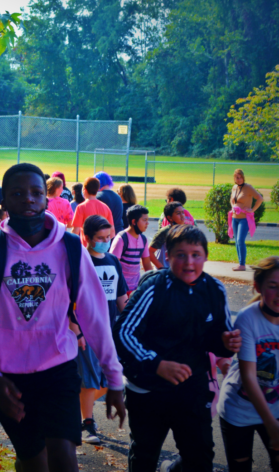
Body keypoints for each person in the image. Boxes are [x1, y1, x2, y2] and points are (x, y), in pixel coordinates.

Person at [0, 163, 126, 472]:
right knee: (33, 459)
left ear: (47, 198)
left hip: (58, 371)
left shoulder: (71, 249)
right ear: (4, 200)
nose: (29, 199)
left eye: (36, 192)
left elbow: (96, 317)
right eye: (18, 193)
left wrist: (114, 378)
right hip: (8, 379)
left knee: (63, 457)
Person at [114, 224, 241, 472]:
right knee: (144, 455)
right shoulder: (154, 287)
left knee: (200, 457)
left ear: (206, 257)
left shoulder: (214, 290)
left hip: (192, 387)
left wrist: (227, 344)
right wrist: (157, 364)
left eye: (196, 255)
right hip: (148, 388)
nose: (189, 262)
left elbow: (219, 338)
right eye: (180, 254)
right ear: (168, 256)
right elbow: (123, 332)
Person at [217, 256, 279, 472]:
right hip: (239, 409)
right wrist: (271, 425)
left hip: (275, 407)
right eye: (273, 286)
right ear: (258, 287)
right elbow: (249, 377)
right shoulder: (247, 318)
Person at [75, 215, 129, 445]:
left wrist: (131, 323)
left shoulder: (113, 260)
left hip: (109, 329)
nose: (106, 242)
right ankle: (87, 423)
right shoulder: (80, 261)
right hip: (86, 331)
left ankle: (73, 405)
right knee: (89, 379)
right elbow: (70, 299)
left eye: (108, 237)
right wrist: (77, 330)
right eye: (100, 238)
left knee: (109, 379)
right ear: (87, 237)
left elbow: (121, 297)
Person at [109, 205, 153, 293]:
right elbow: (113, 265)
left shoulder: (143, 239)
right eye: (144, 220)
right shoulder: (121, 239)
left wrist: (153, 280)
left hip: (135, 289)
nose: (147, 223)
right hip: (121, 290)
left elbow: (147, 263)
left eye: (147, 220)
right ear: (134, 222)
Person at [230, 169, 264, 272]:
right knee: (237, 241)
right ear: (234, 178)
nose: (239, 179)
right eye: (237, 177)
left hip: (244, 219)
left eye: (240, 177)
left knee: (240, 240)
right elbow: (232, 200)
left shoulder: (248, 187)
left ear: (243, 178)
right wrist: (233, 207)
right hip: (234, 218)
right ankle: (240, 263)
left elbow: (260, 198)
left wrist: (252, 210)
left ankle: (242, 265)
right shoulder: (234, 187)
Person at [71, 177, 114, 246]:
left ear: (84, 190)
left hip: (87, 247)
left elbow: (75, 231)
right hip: (102, 248)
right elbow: (112, 231)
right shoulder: (105, 207)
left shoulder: (81, 207)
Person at [149, 202, 188, 270]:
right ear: (170, 218)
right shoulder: (165, 232)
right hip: (165, 271)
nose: (182, 216)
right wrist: (161, 268)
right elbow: (150, 252)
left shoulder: (186, 231)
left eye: (182, 212)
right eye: (178, 213)